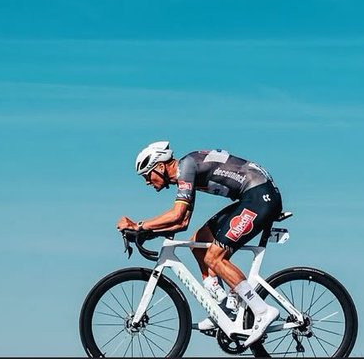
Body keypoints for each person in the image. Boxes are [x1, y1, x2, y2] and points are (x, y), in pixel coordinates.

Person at [116, 140, 282, 344]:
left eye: (147, 175)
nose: (147, 182)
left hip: (260, 197)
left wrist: (139, 225)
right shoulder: (188, 170)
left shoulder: (186, 167)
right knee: (199, 241)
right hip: (252, 196)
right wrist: (147, 233)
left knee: (215, 258)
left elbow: (177, 214)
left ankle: (262, 310)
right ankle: (224, 307)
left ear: (160, 167)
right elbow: (183, 222)